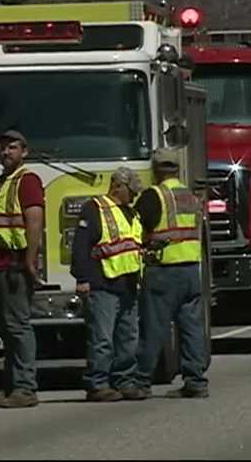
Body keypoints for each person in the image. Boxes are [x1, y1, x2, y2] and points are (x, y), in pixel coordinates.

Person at [134, 148, 210, 398]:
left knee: (154, 327)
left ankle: (141, 381)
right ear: (177, 169)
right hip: (191, 270)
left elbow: (137, 227)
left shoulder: (154, 196)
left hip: (164, 271)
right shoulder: (189, 196)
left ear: (156, 170)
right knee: (191, 328)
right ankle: (196, 381)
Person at [70, 167, 148, 402]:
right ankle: (98, 383)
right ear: (118, 187)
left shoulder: (131, 213)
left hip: (127, 285)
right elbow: (81, 246)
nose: (134, 196)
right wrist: (82, 279)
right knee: (102, 338)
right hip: (103, 283)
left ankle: (124, 381)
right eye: (131, 191)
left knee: (128, 337)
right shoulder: (95, 209)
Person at [0, 130, 45, 408]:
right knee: (4, 327)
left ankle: (25, 388)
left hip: (16, 263)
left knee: (18, 326)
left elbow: (34, 221)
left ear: (24, 152)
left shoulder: (27, 180)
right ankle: (10, 387)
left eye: (13, 147)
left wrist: (30, 260)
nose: (6, 152)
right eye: (3, 148)